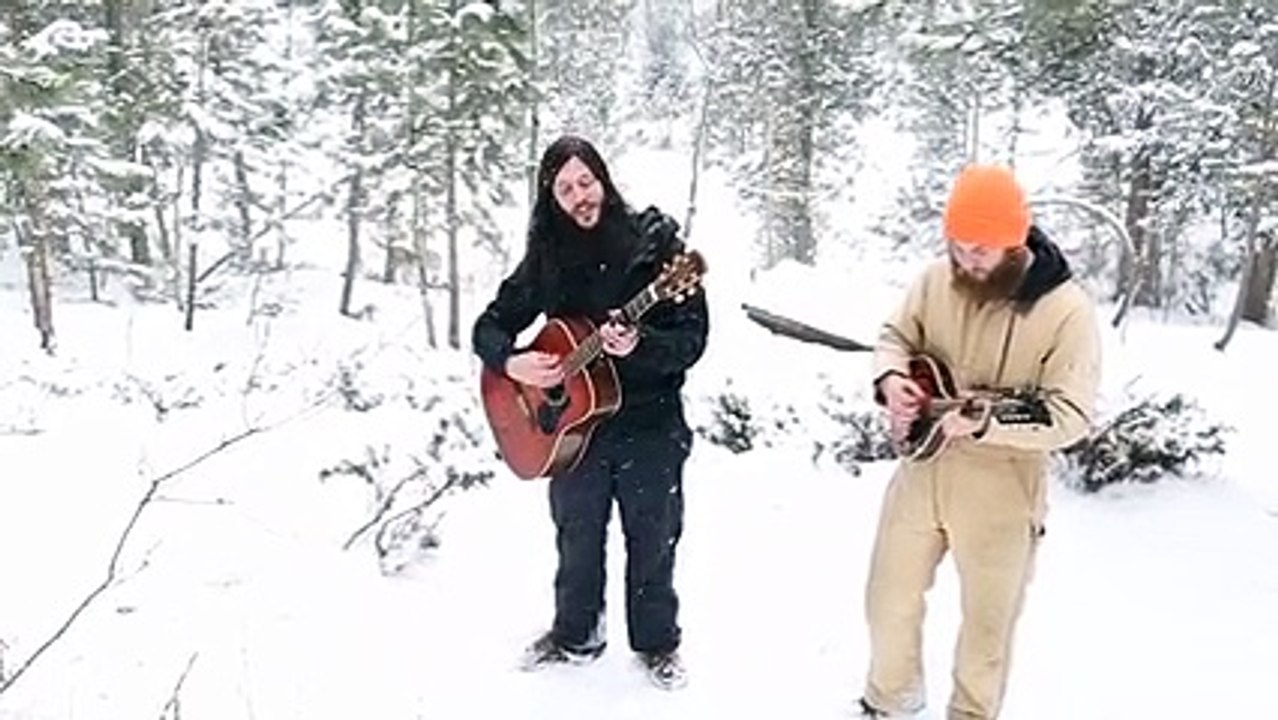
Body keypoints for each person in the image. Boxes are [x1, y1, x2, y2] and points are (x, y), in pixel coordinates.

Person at [856, 164, 1101, 719]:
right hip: (922, 473)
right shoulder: (934, 279)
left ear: (1015, 242)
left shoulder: (1066, 311)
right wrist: (892, 378)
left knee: (987, 628)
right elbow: (895, 337)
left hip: (1004, 488)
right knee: (886, 600)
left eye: (981, 251)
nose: (966, 261)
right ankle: (889, 699)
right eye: (958, 246)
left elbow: (1071, 414)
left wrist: (987, 422)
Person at [471, 135, 708, 690]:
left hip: (650, 421)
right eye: (565, 189)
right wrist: (512, 362)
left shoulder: (658, 250)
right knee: (575, 532)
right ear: (550, 199)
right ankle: (575, 633)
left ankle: (656, 644)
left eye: (586, 182)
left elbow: (692, 341)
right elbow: (489, 325)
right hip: (576, 429)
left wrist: (639, 345)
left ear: (603, 179)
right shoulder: (548, 259)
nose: (580, 196)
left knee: (652, 535)